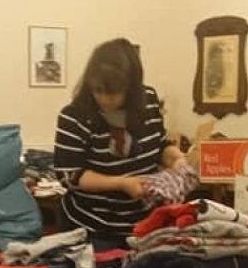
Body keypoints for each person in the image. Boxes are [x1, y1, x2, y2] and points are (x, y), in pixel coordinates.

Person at [53, 38, 186, 245]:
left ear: (131, 88)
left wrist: (177, 159)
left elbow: (159, 145)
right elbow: (69, 175)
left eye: (113, 93)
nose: (104, 99)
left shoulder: (148, 101)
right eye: (98, 90)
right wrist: (121, 184)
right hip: (91, 227)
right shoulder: (74, 116)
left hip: (146, 225)